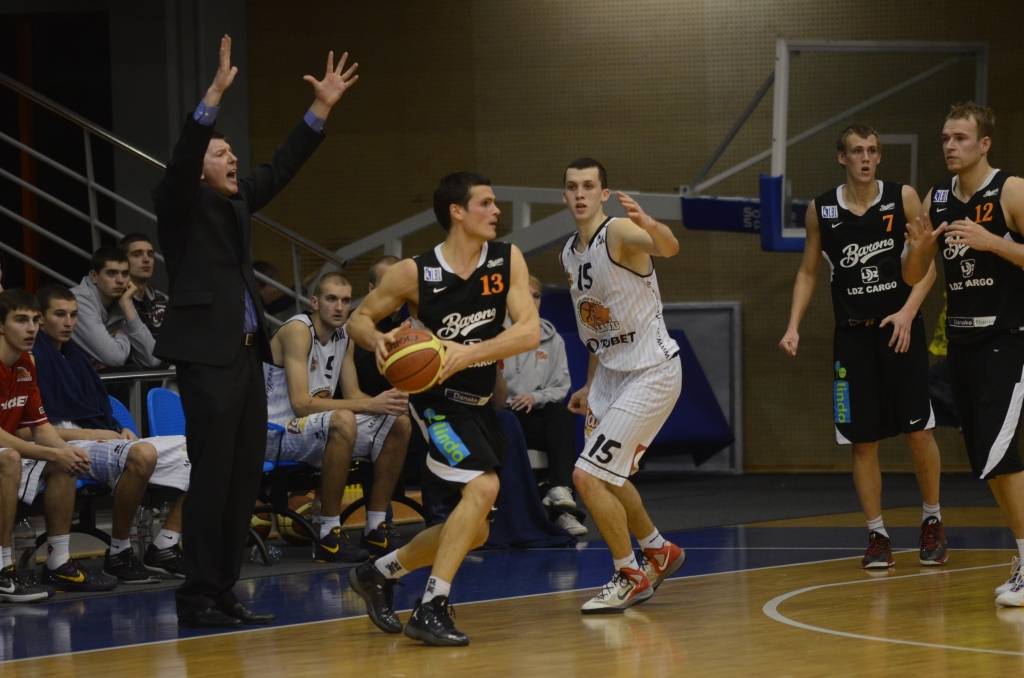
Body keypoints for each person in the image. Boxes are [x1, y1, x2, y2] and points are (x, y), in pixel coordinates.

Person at [151, 35, 359, 628]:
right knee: (212, 477)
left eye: (232, 152)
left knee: (243, 478)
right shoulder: (180, 206)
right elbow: (184, 157)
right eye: (221, 154)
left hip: (244, 359)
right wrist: (213, 96)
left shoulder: (237, 205)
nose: (233, 158)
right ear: (198, 170)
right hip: (207, 360)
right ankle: (195, 597)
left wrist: (320, 108)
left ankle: (221, 590)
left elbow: (285, 164)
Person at [347, 171, 539, 646]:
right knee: (484, 485)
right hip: (436, 404)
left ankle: (378, 572)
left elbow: (529, 331)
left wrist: (467, 353)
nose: (497, 212)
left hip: (480, 403)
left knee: (471, 531)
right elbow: (359, 319)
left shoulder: (505, 258)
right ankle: (431, 605)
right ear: (458, 211)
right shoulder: (414, 272)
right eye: (487, 203)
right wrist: (379, 338)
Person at [778, 124, 947, 569]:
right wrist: (793, 324)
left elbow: (928, 262)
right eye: (857, 151)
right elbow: (809, 272)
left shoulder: (903, 198)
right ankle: (877, 535)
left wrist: (909, 312)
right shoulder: (822, 210)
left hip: (901, 329)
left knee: (918, 430)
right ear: (842, 158)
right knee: (862, 441)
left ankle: (932, 520)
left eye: (872, 150)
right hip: (852, 336)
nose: (866, 158)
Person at [902, 102, 1024, 606]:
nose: (950, 145)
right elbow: (914, 275)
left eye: (960, 137)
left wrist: (994, 243)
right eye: (946, 137)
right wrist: (919, 250)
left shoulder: (1011, 190)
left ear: (984, 144)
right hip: (962, 343)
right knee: (987, 462)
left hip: (1008, 339)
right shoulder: (938, 199)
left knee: (1003, 454)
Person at [559, 157, 685, 614]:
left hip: (651, 370)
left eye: (588, 186)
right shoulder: (569, 253)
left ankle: (628, 572)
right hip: (610, 375)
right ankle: (658, 550)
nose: (579, 194)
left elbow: (668, 248)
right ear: (564, 195)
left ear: (603, 193)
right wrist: (589, 384)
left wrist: (651, 223)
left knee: (586, 476)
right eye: (572, 186)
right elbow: (594, 323)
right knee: (610, 476)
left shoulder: (618, 233)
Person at [31, 284, 190, 581]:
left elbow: (100, 409)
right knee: (142, 455)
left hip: (99, 437)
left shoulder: (75, 355)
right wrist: (98, 434)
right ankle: (119, 553)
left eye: (74, 315)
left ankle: (165, 545)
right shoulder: (31, 357)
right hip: (68, 443)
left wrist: (120, 429)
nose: (69, 323)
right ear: (40, 318)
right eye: (60, 315)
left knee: (202, 449)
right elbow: (37, 430)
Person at [264, 272, 410, 562]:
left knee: (399, 423)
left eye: (345, 300)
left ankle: (376, 527)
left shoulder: (345, 335)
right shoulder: (297, 330)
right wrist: (370, 407)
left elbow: (354, 392)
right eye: (331, 299)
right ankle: (329, 534)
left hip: (315, 428)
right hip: (275, 431)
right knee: (343, 418)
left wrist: (389, 404)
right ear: (315, 302)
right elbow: (302, 404)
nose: (339, 307)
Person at [0, 289, 117, 595]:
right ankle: (2, 568)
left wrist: (64, 451)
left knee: (64, 461)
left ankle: (59, 563)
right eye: (21, 320)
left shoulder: (27, 363)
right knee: (10, 458)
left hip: (10, 449)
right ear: (1, 326)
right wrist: (49, 451)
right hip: (6, 452)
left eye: (35, 320)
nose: (31, 328)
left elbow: (39, 425)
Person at [502, 275, 586, 537]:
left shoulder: (552, 338)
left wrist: (533, 397)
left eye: (536, 296)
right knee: (504, 420)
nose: (531, 301)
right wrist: (512, 400)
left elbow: (561, 388)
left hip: (535, 412)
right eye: (524, 294)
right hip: (503, 414)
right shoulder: (492, 336)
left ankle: (561, 494)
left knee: (562, 415)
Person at [70, 247, 162, 370]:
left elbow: (153, 359)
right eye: (111, 273)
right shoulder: (78, 301)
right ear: (94, 276)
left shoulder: (122, 300)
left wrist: (128, 306)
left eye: (125, 274)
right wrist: (122, 334)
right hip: (68, 378)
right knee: (130, 371)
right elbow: (115, 358)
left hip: (93, 376)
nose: (120, 281)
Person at [118, 233, 169, 340]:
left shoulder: (161, 300)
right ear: (122, 262)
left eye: (150, 254)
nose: (146, 260)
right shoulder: (115, 301)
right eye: (137, 255)